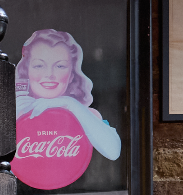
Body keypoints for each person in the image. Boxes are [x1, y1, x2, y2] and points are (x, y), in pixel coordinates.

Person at [15, 28, 121, 161]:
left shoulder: (87, 115)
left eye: (60, 66)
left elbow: (113, 152)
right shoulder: (16, 112)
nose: (49, 74)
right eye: (39, 66)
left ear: (71, 75)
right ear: (26, 72)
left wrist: (70, 104)